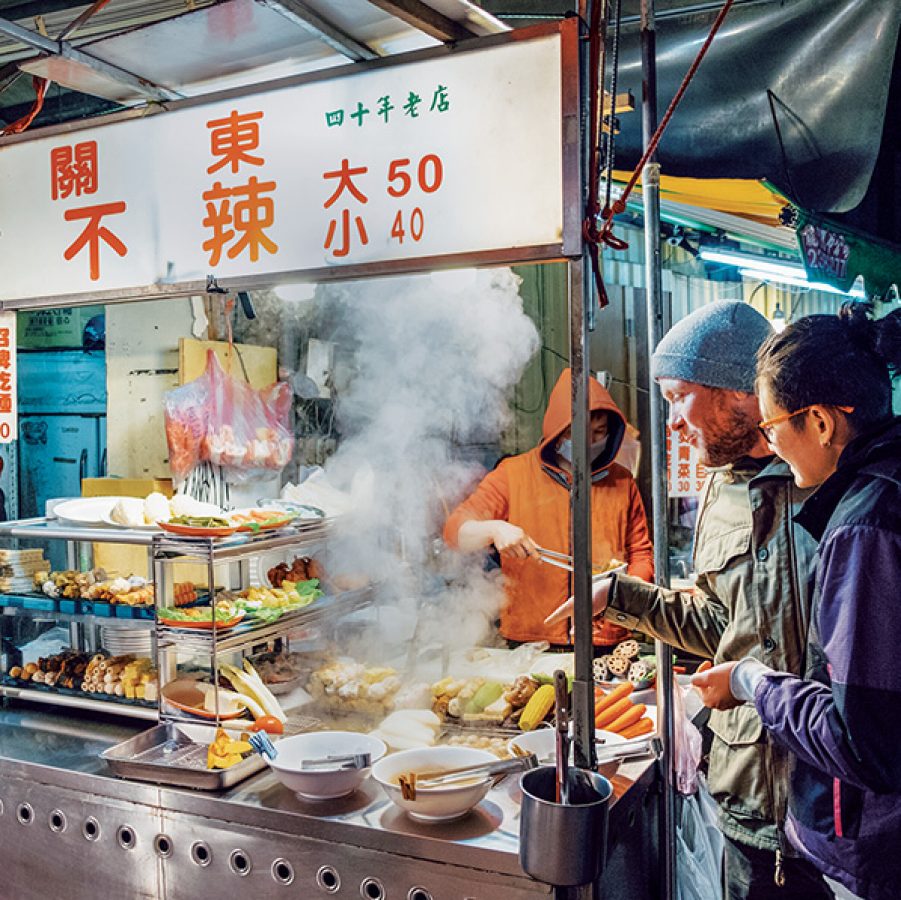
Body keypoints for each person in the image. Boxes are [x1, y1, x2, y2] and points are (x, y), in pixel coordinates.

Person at [546, 300, 828, 900]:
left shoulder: (824, 481)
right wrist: (617, 596)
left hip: (832, 796)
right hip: (747, 795)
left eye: (678, 396)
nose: (671, 421)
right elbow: (723, 626)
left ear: (738, 396)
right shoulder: (718, 493)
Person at [691, 303, 901, 900]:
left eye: (772, 425)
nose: (769, 441)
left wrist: (755, 682)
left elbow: (859, 738)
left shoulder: (867, 524)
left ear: (821, 423)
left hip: (878, 848)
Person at [443, 367, 654, 646]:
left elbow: (641, 554)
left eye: (599, 432)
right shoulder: (512, 474)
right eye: (576, 433)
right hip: (531, 637)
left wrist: (621, 595)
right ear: (557, 430)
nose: (589, 443)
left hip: (605, 637)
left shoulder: (622, 481)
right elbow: (454, 532)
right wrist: (495, 528)